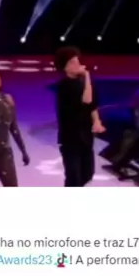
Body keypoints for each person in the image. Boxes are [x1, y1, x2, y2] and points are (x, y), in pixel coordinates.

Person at [54, 47, 105, 187]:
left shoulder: (86, 84)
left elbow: (92, 105)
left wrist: (97, 121)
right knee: (73, 176)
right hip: (70, 138)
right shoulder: (63, 86)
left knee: (87, 174)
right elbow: (86, 100)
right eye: (72, 62)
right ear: (65, 67)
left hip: (86, 137)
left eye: (77, 60)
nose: (77, 64)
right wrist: (87, 76)